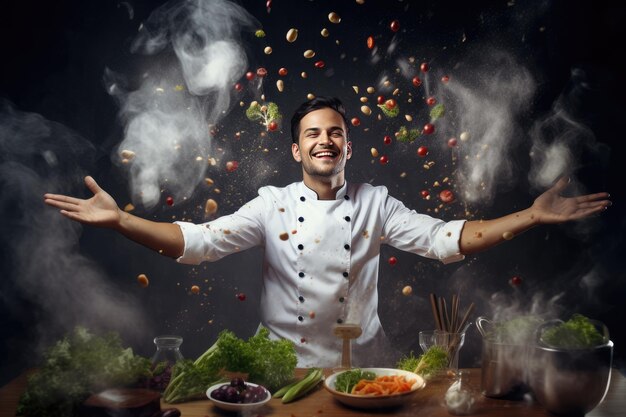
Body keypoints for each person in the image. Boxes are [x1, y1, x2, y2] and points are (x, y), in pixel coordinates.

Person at [44, 96, 611, 367]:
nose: (324, 140)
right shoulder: (269, 205)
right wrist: (119, 220)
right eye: (313, 133)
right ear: (295, 149)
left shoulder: (376, 205)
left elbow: (446, 239)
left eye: (335, 133)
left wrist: (532, 215)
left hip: (363, 369)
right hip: (278, 370)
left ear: (348, 146)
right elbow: (197, 243)